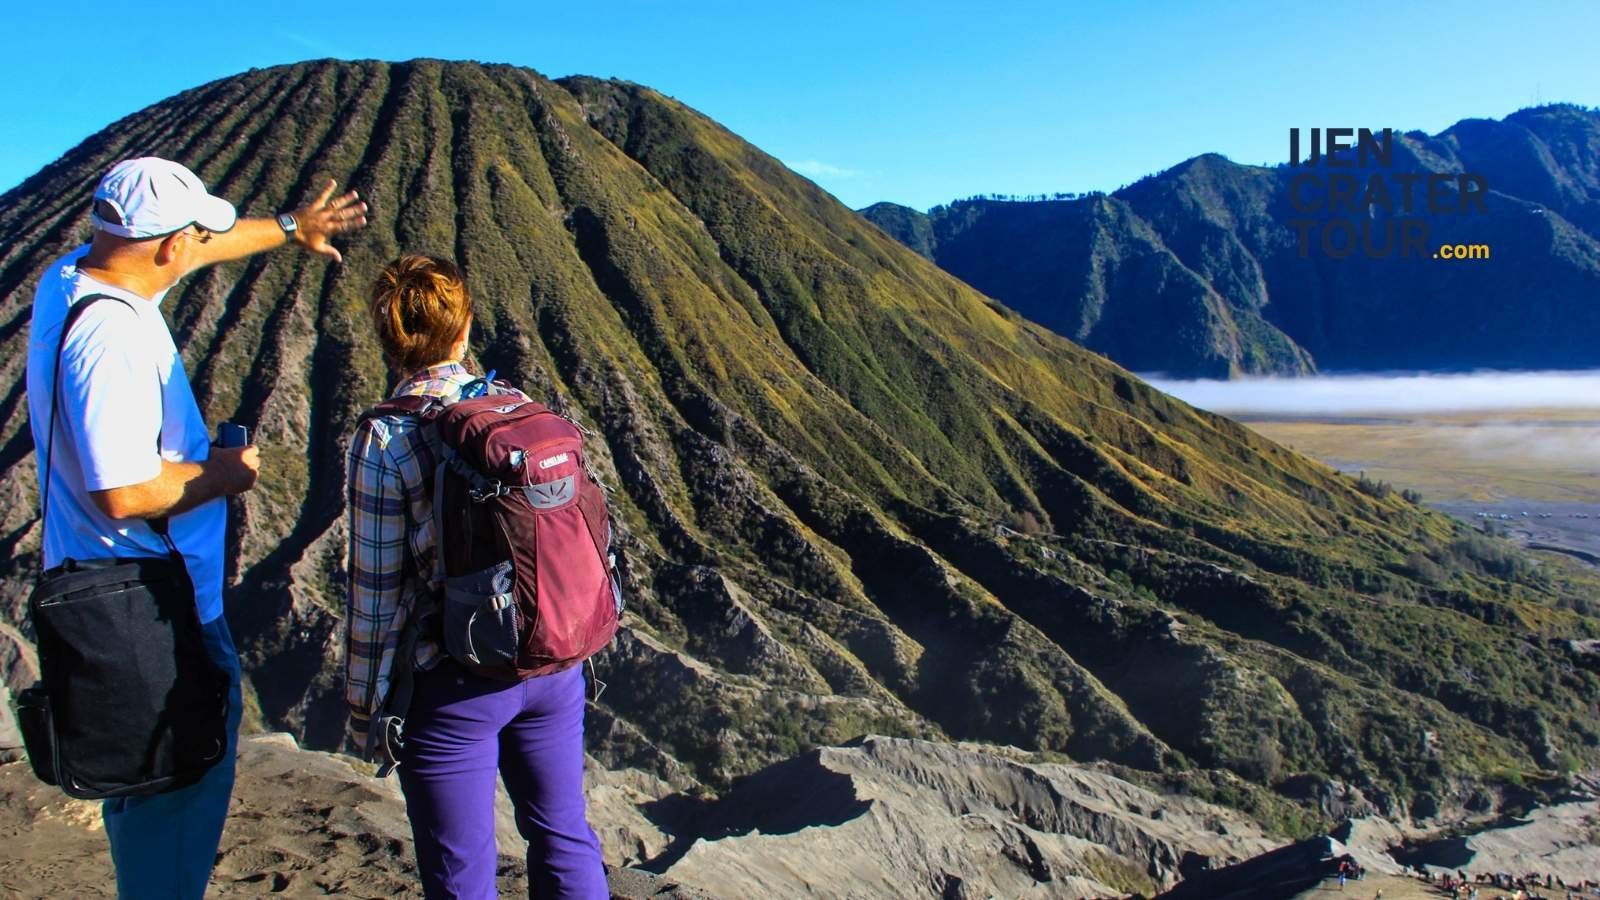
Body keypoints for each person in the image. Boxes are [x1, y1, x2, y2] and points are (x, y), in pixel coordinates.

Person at [26, 156, 366, 897]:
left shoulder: (72, 278)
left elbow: (197, 246)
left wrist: (286, 228)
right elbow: (121, 490)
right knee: (174, 802)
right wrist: (225, 475)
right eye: (192, 235)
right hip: (153, 607)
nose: (199, 245)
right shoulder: (110, 340)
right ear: (167, 245)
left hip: (107, 596)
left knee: (140, 786)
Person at [344, 254, 608, 898]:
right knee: (564, 833)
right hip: (552, 664)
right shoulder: (519, 409)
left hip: (454, 684)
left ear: (389, 339)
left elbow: (375, 594)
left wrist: (366, 704)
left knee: (461, 871)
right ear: (464, 329)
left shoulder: (387, 437)